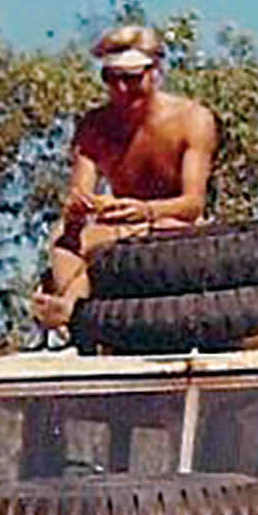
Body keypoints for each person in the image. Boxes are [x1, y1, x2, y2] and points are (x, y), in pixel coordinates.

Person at [30, 25, 218, 330]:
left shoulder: (192, 120)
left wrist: (147, 211)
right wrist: (80, 212)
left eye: (131, 78)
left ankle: (71, 309)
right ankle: (72, 312)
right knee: (64, 239)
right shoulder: (94, 126)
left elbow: (193, 204)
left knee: (160, 234)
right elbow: (78, 198)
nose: (121, 89)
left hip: (171, 226)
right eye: (111, 78)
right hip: (119, 226)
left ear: (155, 72)